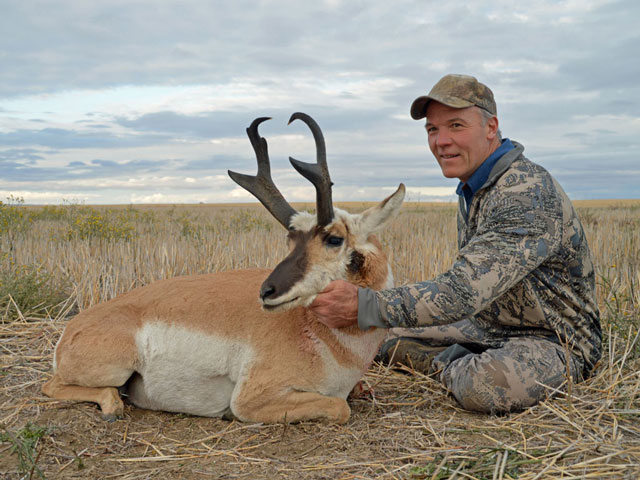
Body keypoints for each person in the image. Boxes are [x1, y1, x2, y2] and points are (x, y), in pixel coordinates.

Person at [310, 74, 602, 414]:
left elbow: (462, 292)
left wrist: (365, 305)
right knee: (382, 336)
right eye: (432, 130)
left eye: (456, 126)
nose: (441, 141)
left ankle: (448, 365)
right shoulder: (476, 186)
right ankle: (458, 355)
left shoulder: (525, 193)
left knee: (483, 387)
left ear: (491, 127)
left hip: (555, 341)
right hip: (488, 325)